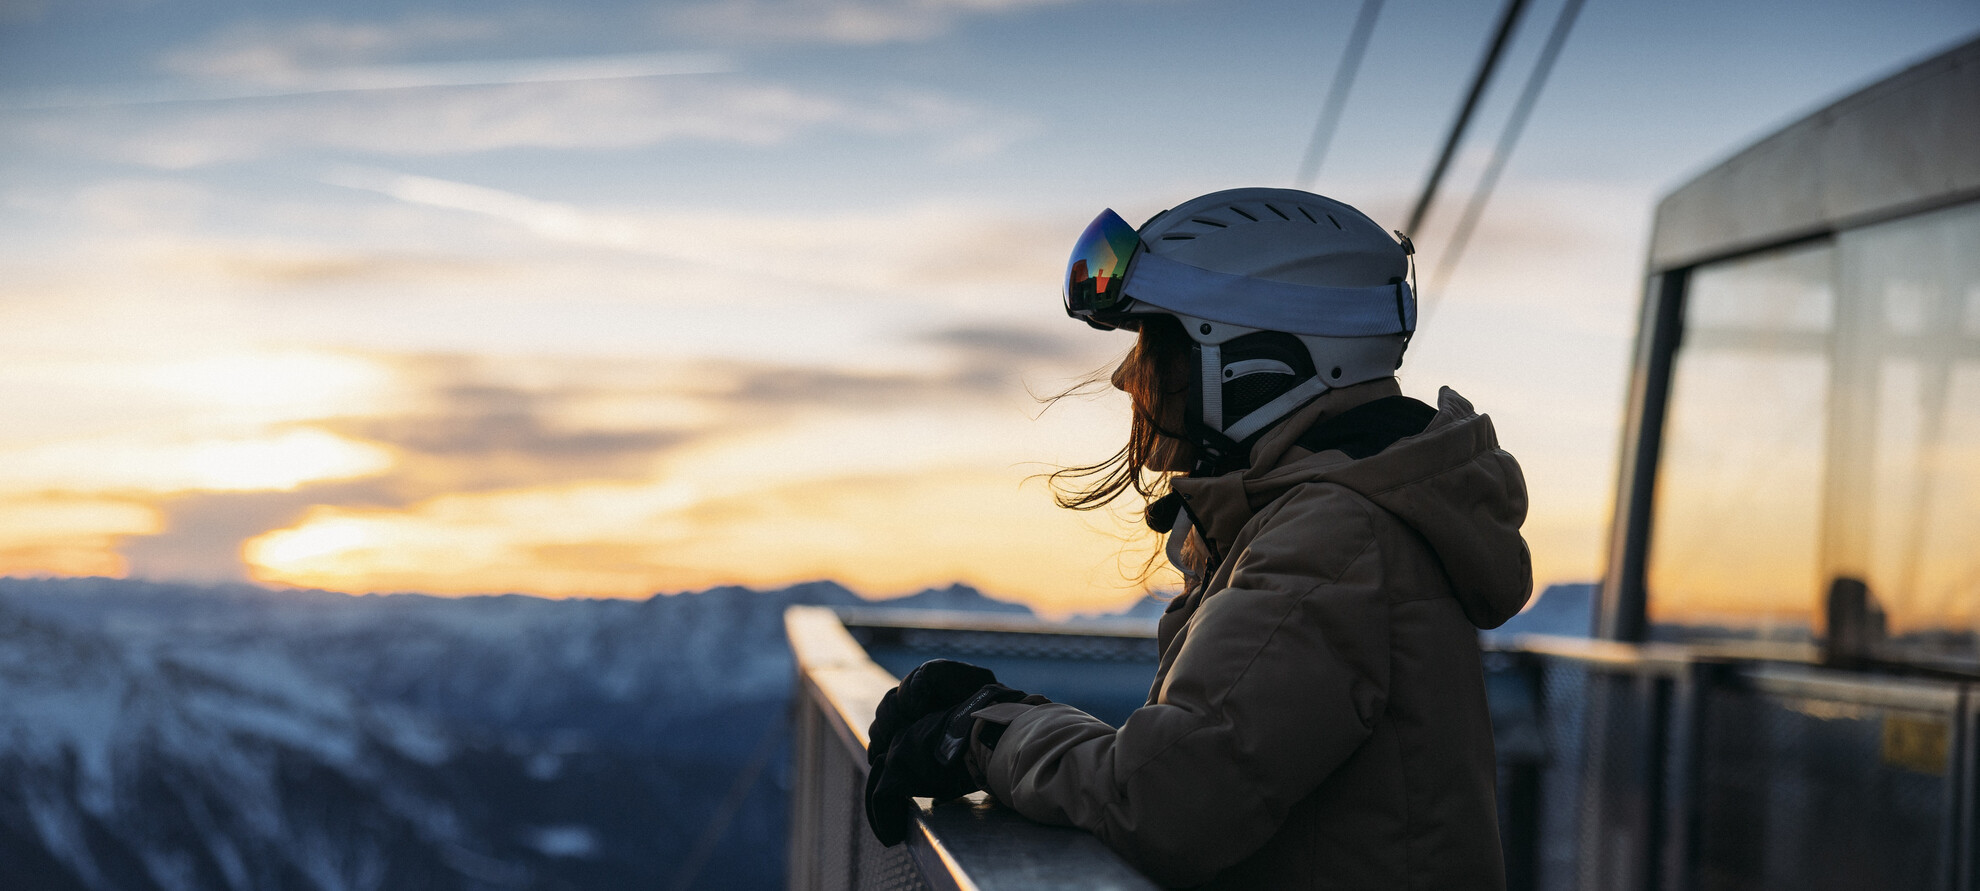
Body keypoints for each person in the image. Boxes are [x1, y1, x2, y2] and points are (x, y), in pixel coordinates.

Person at [863, 187, 1533, 890]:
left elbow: (1163, 801)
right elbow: (1204, 750)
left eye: (1160, 343)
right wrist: (1014, 720)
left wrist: (983, 735)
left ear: (1251, 364)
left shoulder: (1333, 540)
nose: (1129, 375)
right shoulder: (1324, 519)